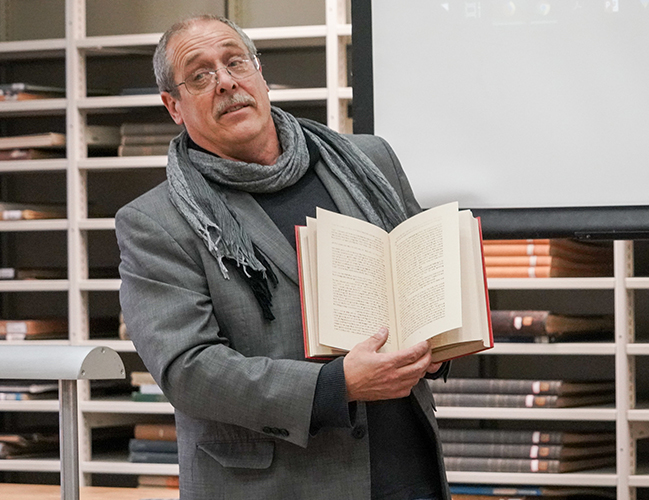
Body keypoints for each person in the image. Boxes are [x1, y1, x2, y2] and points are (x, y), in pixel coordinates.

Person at [116, 14, 450, 500]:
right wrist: (335, 387)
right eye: (201, 75)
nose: (226, 82)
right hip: (278, 484)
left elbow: (418, 277)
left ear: (259, 74)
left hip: (405, 468)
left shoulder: (368, 161)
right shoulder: (155, 221)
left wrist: (442, 335)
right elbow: (189, 369)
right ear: (174, 105)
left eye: (235, 62)